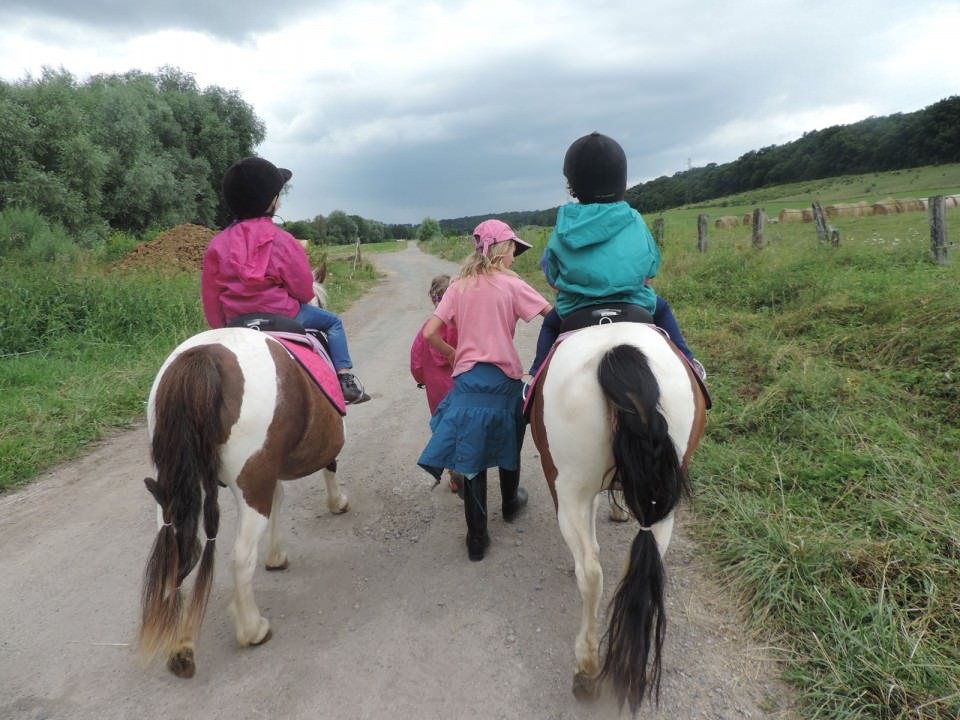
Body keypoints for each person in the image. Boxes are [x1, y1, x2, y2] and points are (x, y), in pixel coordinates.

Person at [417, 219, 552, 561]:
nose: (515, 258)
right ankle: (509, 503)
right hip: (504, 380)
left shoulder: (458, 285)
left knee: (472, 457)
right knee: (509, 440)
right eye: (513, 250)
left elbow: (431, 332)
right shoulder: (511, 284)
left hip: (467, 383)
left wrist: (455, 354)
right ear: (502, 249)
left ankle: (477, 539)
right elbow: (553, 317)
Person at [528, 132, 707, 381]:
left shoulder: (565, 223)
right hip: (635, 305)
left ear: (572, 185)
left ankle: (535, 378)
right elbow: (652, 264)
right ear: (621, 179)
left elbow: (553, 271)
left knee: (549, 324)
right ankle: (690, 363)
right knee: (663, 309)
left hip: (576, 309)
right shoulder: (634, 218)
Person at [201, 156, 369, 404]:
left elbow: (211, 297)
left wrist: (222, 326)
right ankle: (345, 380)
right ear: (272, 202)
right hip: (284, 315)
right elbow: (303, 290)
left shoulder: (217, 245)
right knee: (334, 323)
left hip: (236, 321)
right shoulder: (284, 241)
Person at [409, 274, 463, 493]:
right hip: (462, 386)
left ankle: (453, 473)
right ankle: (471, 466)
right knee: (466, 426)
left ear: (434, 300)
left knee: (444, 428)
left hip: (437, 390)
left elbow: (416, 363)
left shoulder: (426, 329)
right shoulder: (464, 324)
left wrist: (423, 381)